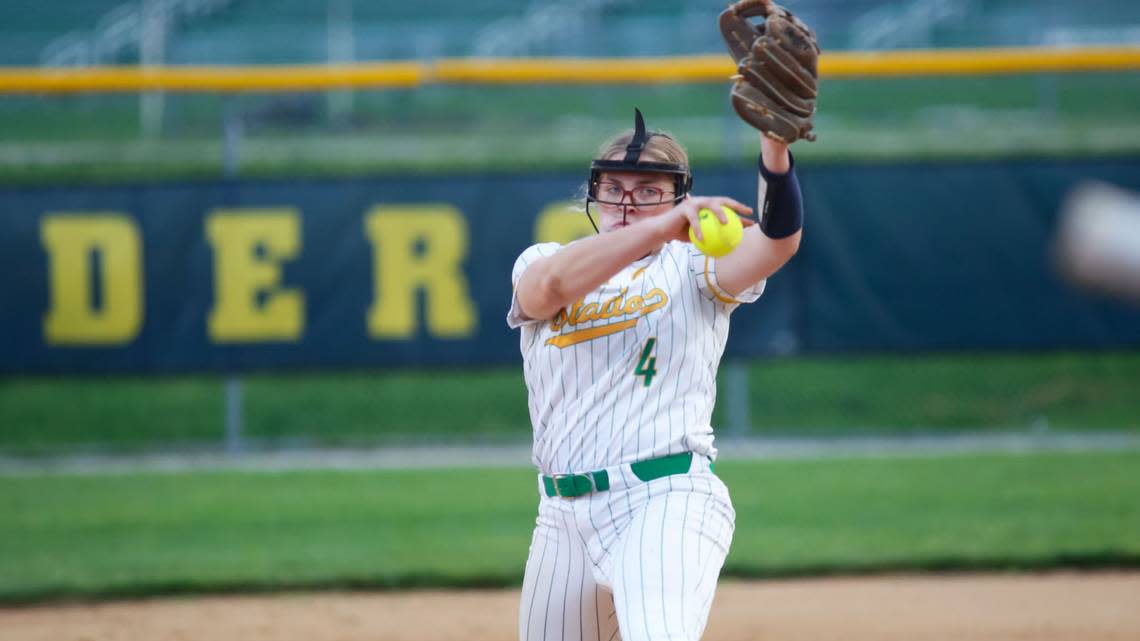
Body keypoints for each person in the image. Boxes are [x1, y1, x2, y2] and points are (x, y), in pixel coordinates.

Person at [507, 108, 804, 641]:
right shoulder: (546, 258)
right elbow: (544, 292)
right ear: (592, 194)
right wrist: (662, 225)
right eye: (614, 187)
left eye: (648, 190)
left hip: (663, 497)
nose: (627, 202)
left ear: (678, 195)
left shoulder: (693, 266)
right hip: (560, 516)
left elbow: (777, 242)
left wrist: (775, 153)